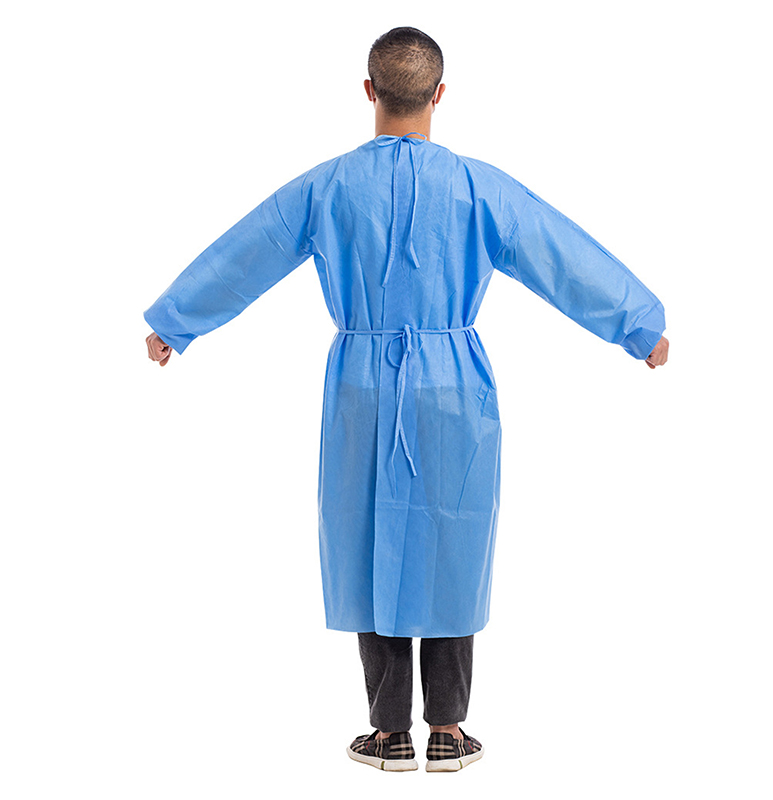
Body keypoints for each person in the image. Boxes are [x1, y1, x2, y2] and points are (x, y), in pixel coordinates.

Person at [144, 27, 669, 773]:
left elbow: (247, 253)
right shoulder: (480, 187)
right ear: (439, 95)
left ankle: (389, 732)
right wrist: (639, 326)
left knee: (369, 542)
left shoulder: (327, 187)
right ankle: (448, 731)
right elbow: (560, 254)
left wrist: (175, 322)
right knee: (454, 543)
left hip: (361, 381)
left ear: (369, 91)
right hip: (453, 382)